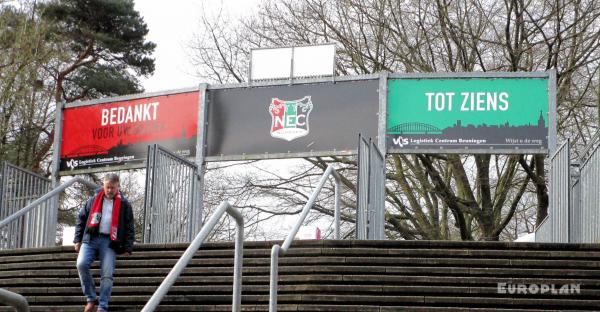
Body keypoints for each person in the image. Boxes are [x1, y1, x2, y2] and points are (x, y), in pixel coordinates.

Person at [74, 173, 135, 312]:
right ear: (103, 186)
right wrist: (77, 240)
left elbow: (129, 226)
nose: (109, 190)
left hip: (110, 241)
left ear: (118, 187)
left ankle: (102, 306)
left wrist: (128, 246)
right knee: (81, 264)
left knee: (107, 274)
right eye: (107, 187)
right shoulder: (94, 199)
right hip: (91, 238)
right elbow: (81, 219)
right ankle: (91, 298)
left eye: (112, 188)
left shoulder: (124, 204)